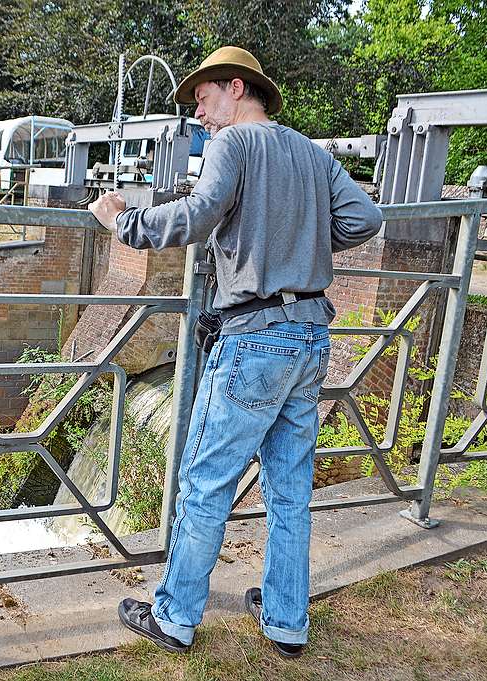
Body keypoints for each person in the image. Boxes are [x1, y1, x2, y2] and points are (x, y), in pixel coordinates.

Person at [88, 45, 383, 659]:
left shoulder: (234, 144)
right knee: (289, 487)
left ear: (235, 87)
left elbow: (198, 213)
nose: (197, 112)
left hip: (254, 338)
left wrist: (123, 221)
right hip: (310, 336)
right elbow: (365, 217)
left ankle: (173, 618)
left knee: (205, 483)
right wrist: (303, 240)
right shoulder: (312, 152)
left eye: (201, 96)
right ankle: (285, 620)